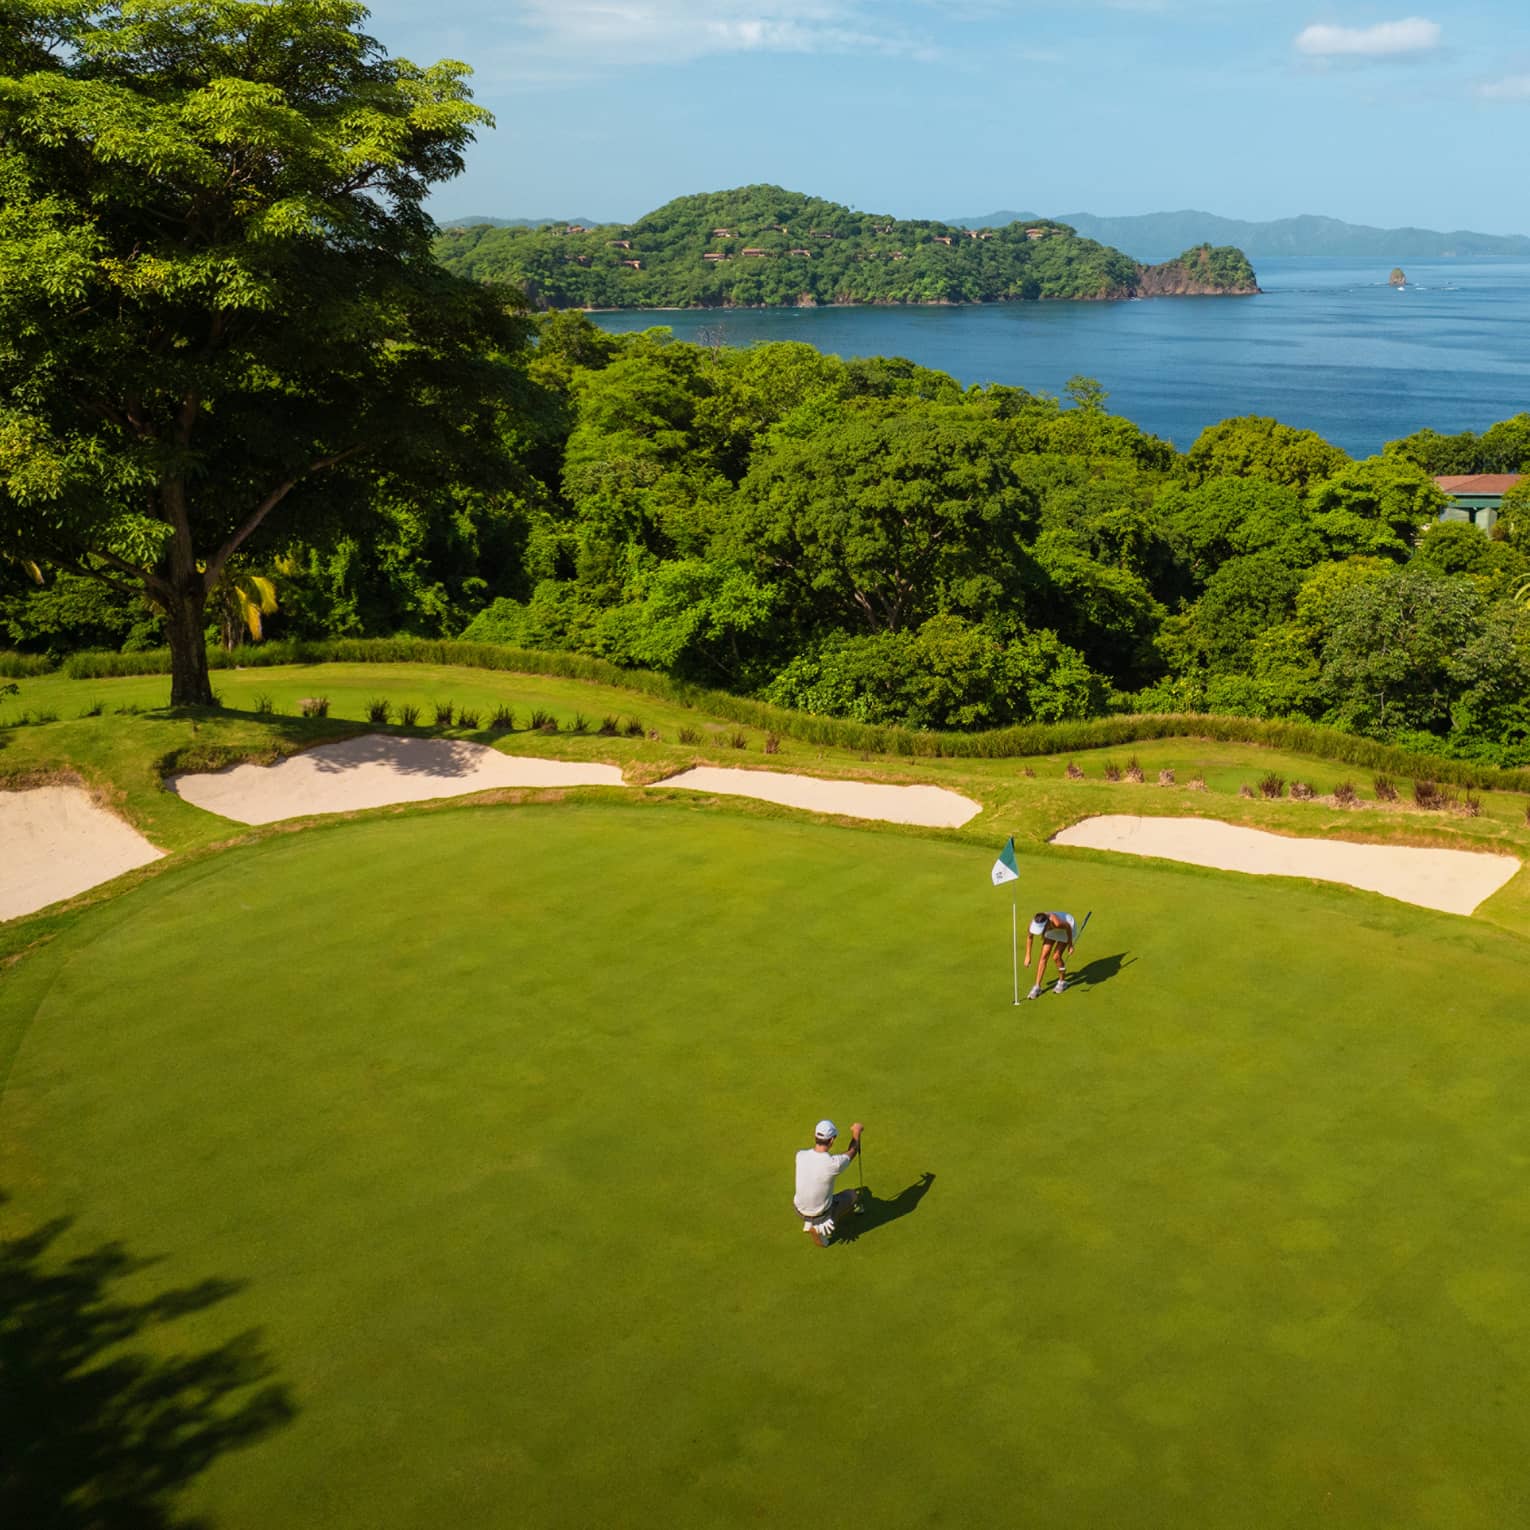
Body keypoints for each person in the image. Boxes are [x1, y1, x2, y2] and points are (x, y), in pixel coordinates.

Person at [793, 1119, 864, 1246]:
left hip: (799, 1209)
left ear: (815, 1136)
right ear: (831, 1140)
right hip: (820, 1213)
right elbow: (852, 1151)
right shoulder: (834, 1164)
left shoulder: (800, 1155)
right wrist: (856, 1132)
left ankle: (809, 1222)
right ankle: (821, 1228)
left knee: (821, 1195)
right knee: (853, 1195)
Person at [1023, 911, 1076, 999]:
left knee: (1056, 956)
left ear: (1047, 923)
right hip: (1051, 929)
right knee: (1044, 955)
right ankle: (1037, 986)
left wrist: (1070, 945)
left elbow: (1068, 927)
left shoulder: (1057, 923)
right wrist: (1028, 955)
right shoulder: (1033, 924)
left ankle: (1062, 982)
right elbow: (1029, 937)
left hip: (1066, 929)